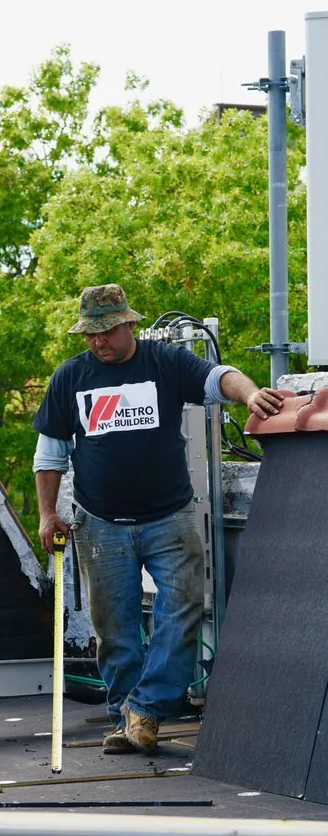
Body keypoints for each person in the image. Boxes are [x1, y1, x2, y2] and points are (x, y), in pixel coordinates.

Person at [33, 284, 285, 755]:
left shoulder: (164, 362)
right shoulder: (70, 377)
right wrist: (49, 513)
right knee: (114, 629)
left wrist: (250, 395)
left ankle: (145, 710)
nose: (97, 342)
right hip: (100, 522)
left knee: (182, 612)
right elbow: (49, 454)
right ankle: (126, 717)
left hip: (170, 517)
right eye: (90, 335)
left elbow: (219, 376)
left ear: (128, 324)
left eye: (106, 332)